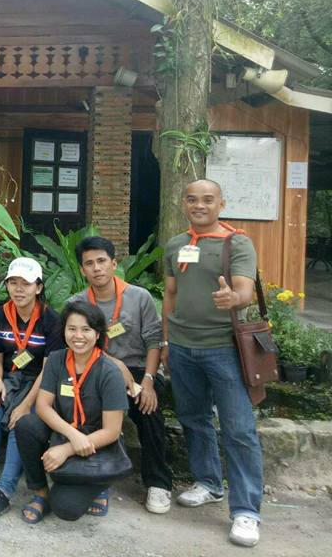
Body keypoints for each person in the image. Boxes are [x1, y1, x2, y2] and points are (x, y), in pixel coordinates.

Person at [162, 179, 263, 548]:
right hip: (182, 347)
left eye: (207, 200)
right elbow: (170, 294)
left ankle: (246, 510)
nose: (199, 205)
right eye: (192, 199)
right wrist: (166, 341)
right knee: (194, 418)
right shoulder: (176, 244)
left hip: (224, 348)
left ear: (222, 203)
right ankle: (208, 483)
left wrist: (233, 298)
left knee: (239, 429)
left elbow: (245, 291)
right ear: (184, 203)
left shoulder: (238, 243)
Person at [71, 235, 173, 515]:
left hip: (141, 370)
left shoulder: (139, 297)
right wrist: (116, 365)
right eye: (89, 263)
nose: (96, 268)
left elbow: (154, 341)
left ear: (114, 264)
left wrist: (148, 381)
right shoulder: (78, 303)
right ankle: (92, 476)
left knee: (148, 410)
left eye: (102, 261)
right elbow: (75, 345)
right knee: (84, 409)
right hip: (96, 370)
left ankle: (158, 482)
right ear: (82, 269)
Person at [15, 300, 128, 524]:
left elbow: (112, 431)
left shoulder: (110, 372)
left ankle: (99, 485)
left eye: (86, 329)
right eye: (72, 328)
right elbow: (43, 406)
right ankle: (41, 492)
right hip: (67, 432)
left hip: (98, 442)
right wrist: (72, 436)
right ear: (64, 331)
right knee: (26, 425)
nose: (78, 336)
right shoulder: (56, 360)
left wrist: (67, 450)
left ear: (97, 334)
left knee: (66, 509)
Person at [0, 257, 63, 520]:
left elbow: (49, 369)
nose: (19, 289)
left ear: (39, 287)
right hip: (10, 377)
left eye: (26, 283)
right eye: (13, 282)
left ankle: (4, 490)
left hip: (40, 382)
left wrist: (25, 405)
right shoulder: (0, 314)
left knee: (20, 421)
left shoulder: (51, 319)